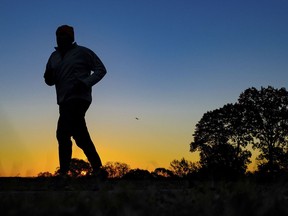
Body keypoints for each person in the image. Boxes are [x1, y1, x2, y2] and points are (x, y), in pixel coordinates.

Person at [44, 25, 107, 179]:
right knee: (80, 135)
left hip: (79, 97)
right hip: (63, 100)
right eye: (58, 34)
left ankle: (64, 173)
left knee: (62, 133)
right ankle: (98, 169)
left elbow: (101, 69)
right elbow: (49, 80)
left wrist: (86, 82)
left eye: (64, 34)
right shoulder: (54, 56)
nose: (60, 37)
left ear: (72, 37)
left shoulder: (83, 52)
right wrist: (49, 76)